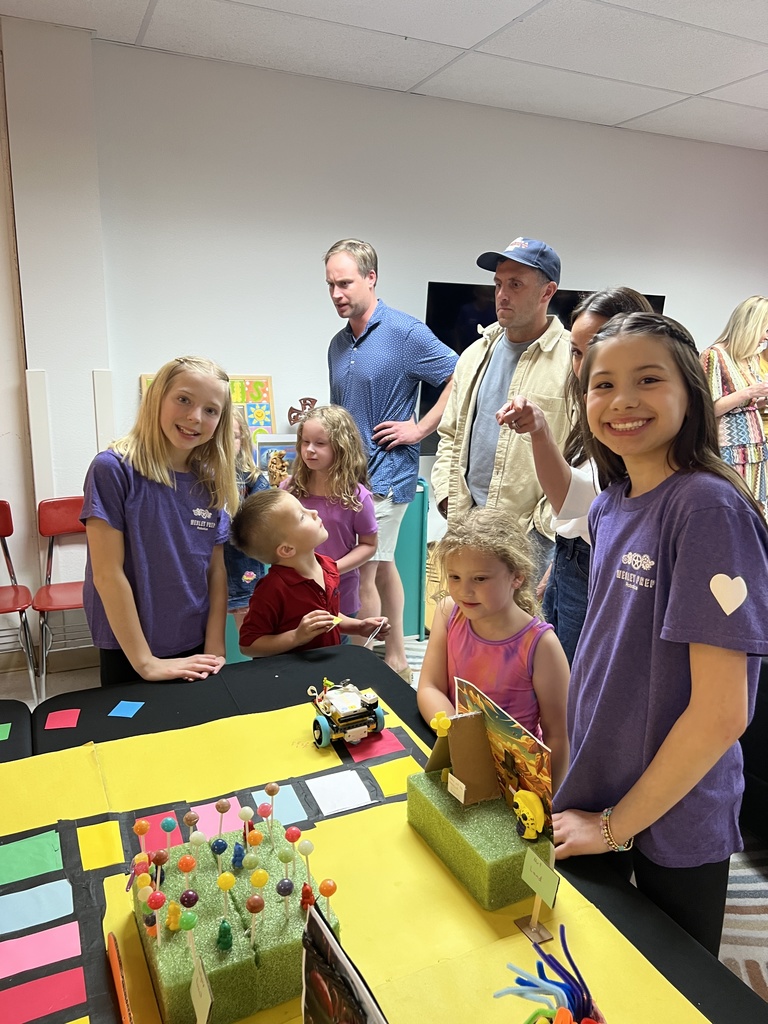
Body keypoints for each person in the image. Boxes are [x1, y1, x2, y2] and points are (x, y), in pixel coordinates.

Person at [552, 312, 768, 955]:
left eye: (648, 379)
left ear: (691, 395)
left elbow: (723, 711)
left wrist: (619, 827)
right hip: (602, 784)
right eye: (602, 383)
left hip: (671, 811)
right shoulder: (611, 503)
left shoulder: (707, 508)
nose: (622, 400)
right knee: (599, 963)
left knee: (675, 980)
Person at [496, 287, 653, 663]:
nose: (585, 367)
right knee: (559, 675)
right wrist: (538, 429)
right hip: (571, 556)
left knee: (577, 681)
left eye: (597, 349)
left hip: (601, 566)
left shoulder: (705, 500)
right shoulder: (589, 405)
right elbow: (572, 505)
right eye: (578, 352)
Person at [325, 238, 457, 682]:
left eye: (345, 283)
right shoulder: (338, 344)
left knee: (364, 571)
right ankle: (397, 654)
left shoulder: (404, 332)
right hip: (350, 478)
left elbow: (461, 373)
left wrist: (420, 429)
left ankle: (359, 670)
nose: (337, 294)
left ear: (370, 278)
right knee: (381, 565)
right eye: (330, 285)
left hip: (388, 474)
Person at [82, 355, 239, 686]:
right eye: (184, 399)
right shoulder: (113, 469)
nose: (195, 417)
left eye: (211, 410)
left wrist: (216, 645)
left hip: (193, 640)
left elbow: (216, 571)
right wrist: (146, 663)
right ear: (157, 398)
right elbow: (107, 574)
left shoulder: (210, 481)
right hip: (131, 647)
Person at [432, 237, 571, 585]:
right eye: (497, 284)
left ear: (547, 292)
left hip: (531, 537)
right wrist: (449, 499)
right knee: (465, 629)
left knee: (526, 635)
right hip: (467, 524)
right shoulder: (474, 355)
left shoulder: (573, 361)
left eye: (515, 284)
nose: (502, 294)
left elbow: (583, 455)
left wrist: (545, 527)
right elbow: (449, 434)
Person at [416, 507, 569, 791]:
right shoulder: (448, 613)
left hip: (517, 780)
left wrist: (551, 805)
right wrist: (460, 737)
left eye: (480, 579)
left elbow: (559, 734)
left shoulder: (541, 645)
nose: (464, 592)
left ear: (517, 577)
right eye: (455, 577)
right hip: (456, 756)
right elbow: (429, 687)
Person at [232, 489, 389, 656]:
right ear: (287, 549)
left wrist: (357, 627)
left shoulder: (328, 567)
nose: (314, 512)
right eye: (302, 516)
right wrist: (296, 637)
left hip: (326, 669)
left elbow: (329, 617)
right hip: (288, 676)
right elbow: (248, 645)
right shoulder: (272, 590)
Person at [282, 405, 377, 620]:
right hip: (293, 590)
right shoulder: (289, 489)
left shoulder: (357, 497)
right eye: (305, 442)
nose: (309, 450)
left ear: (342, 447)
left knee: (334, 650)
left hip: (339, 593)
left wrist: (330, 570)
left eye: (320, 443)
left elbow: (369, 545)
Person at [700, 295, 768, 517]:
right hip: (728, 448)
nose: (766, 337)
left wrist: (759, 401)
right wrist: (750, 392)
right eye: (764, 329)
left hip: (754, 446)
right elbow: (707, 409)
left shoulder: (748, 359)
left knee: (755, 506)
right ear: (750, 326)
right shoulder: (714, 355)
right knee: (729, 507)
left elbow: (746, 407)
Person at [224, 406, 270, 630]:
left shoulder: (251, 478)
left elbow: (265, 521)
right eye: (218, 436)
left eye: (232, 436)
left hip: (243, 569)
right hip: (204, 572)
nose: (225, 443)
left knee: (251, 632)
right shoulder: (194, 475)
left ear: (242, 438)